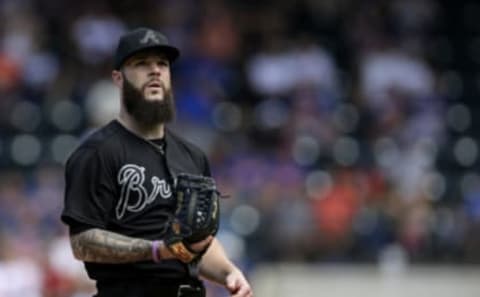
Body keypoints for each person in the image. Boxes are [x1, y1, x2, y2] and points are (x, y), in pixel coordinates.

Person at [61, 27, 253, 297]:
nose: (155, 71)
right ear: (118, 78)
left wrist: (228, 272)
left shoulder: (192, 156)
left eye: (162, 64)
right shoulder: (97, 152)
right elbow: (82, 243)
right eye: (141, 64)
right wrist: (157, 249)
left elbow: (196, 243)